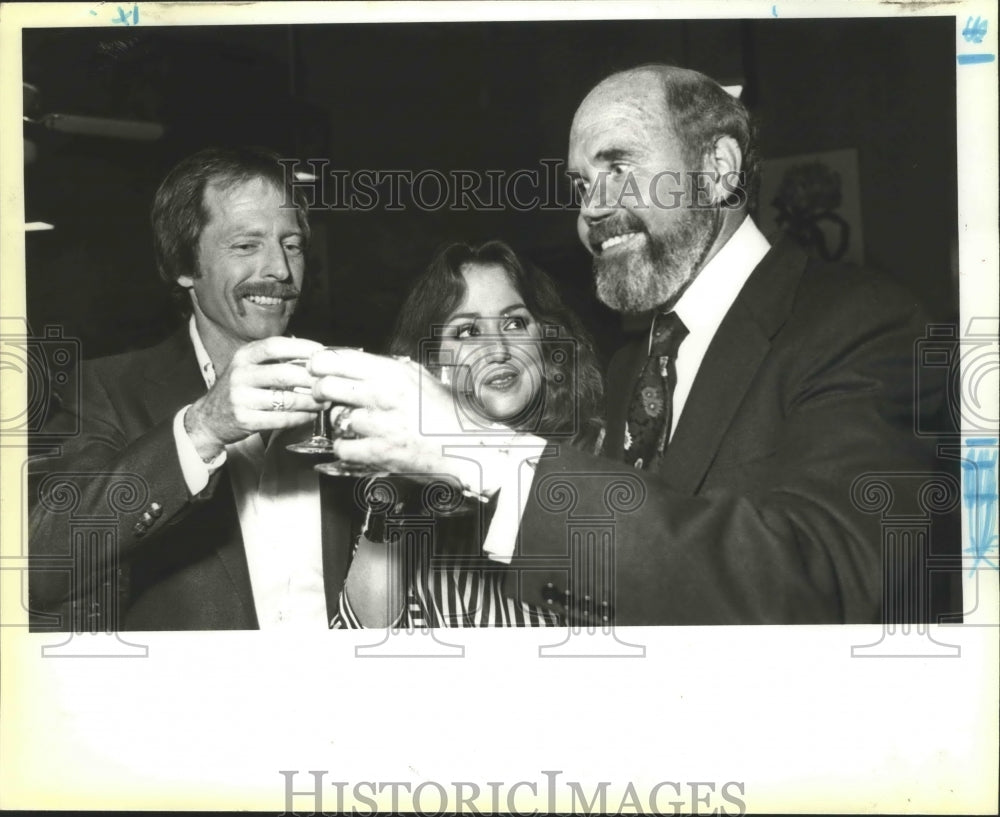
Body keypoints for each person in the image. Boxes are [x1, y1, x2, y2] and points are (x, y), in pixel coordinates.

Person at [309, 64, 954, 625]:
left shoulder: (862, 322)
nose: (591, 209)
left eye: (618, 167)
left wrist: (478, 452)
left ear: (719, 170)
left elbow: (831, 585)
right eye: (580, 186)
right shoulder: (633, 369)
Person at [28, 146, 367, 630]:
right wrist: (201, 428)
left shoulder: (344, 387)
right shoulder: (105, 389)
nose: (280, 269)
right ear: (183, 265)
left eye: (291, 245)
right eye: (246, 246)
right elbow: (40, 563)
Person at [332, 239, 604, 627]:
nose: (497, 349)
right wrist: (393, 493)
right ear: (431, 364)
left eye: (514, 323)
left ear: (546, 343)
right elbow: (368, 636)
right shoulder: (414, 491)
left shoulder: (603, 454)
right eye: (467, 331)